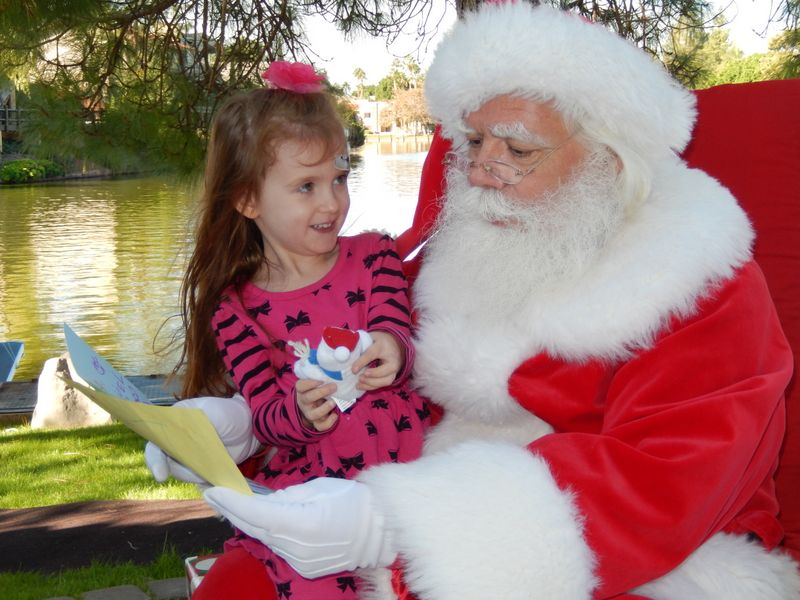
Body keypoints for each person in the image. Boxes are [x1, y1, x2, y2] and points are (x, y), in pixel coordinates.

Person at [171, 4, 800, 599]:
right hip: (422, 503)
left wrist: (397, 521)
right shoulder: (451, 258)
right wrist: (244, 431)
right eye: (473, 143)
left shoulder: (695, 282)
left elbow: (663, 482)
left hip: (644, 562)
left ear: (607, 162)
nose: (479, 170)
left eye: (518, 150)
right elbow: (355, 388)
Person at [145, 61, 430, 599]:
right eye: (306, 186)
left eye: (339, 178)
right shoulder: (235, 310)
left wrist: (392, 347)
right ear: (247, 199)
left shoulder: (376, 256)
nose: (332, 202)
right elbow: (267, 414)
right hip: (312, 511)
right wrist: (299, 412)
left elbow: (398, 326)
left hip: (407, 490)